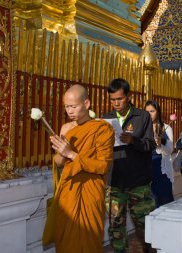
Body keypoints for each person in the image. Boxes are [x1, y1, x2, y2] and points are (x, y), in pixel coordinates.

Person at [45, 84, 115, 253]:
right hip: (68, 190)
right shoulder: (66, 128)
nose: (69, 111)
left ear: (87, 103)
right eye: (67, 107)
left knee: (88, 240)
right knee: (65, 239)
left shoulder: (102, 129)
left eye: (73, 106)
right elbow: (59, 161)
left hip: (90, 190)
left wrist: (71, 154)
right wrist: (62, 153)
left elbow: (103, 165)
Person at [103, 79, 156, 253]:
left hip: (138, 182)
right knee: (116, 227)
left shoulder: (142, 117)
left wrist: (133, 140)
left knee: (145, 227)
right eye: (112, 99)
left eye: (119, 98)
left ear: (128, 96)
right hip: (115, 181)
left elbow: (150, 145)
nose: (116, 103)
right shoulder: (106, 119)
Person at [144, 100, 174, 207]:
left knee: (165, 201)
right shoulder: (143, 128)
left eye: (152, 111)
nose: (149, 114)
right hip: (147, 167)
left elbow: (170, 150)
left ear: (158, 112)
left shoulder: (166, 128)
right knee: (150, 203)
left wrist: (160, 143)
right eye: (147, 111)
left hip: (161, 169)